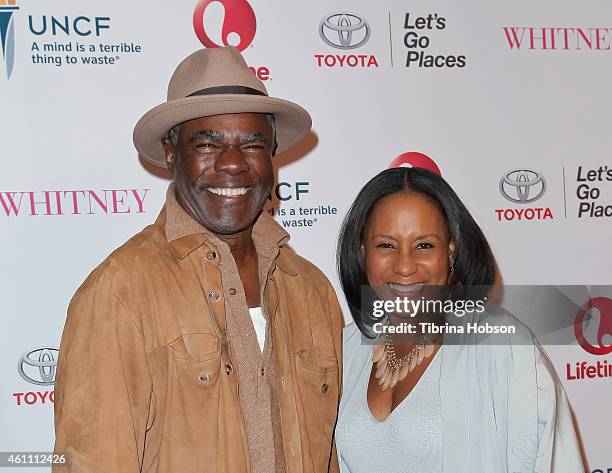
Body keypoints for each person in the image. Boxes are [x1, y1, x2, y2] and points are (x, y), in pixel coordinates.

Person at [53, 47, 343, 473]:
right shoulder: (119, 293)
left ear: (272, 155)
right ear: (172, 154)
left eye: (252, 144)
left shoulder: (312, 290)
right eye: (207, 143)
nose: (231, 164)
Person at [334, 167, 585, 472]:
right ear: (362, 252)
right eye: (386, 245)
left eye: (424, 245)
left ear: (450, 252)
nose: (404, 265)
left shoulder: (503, 346)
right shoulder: (345, 351)